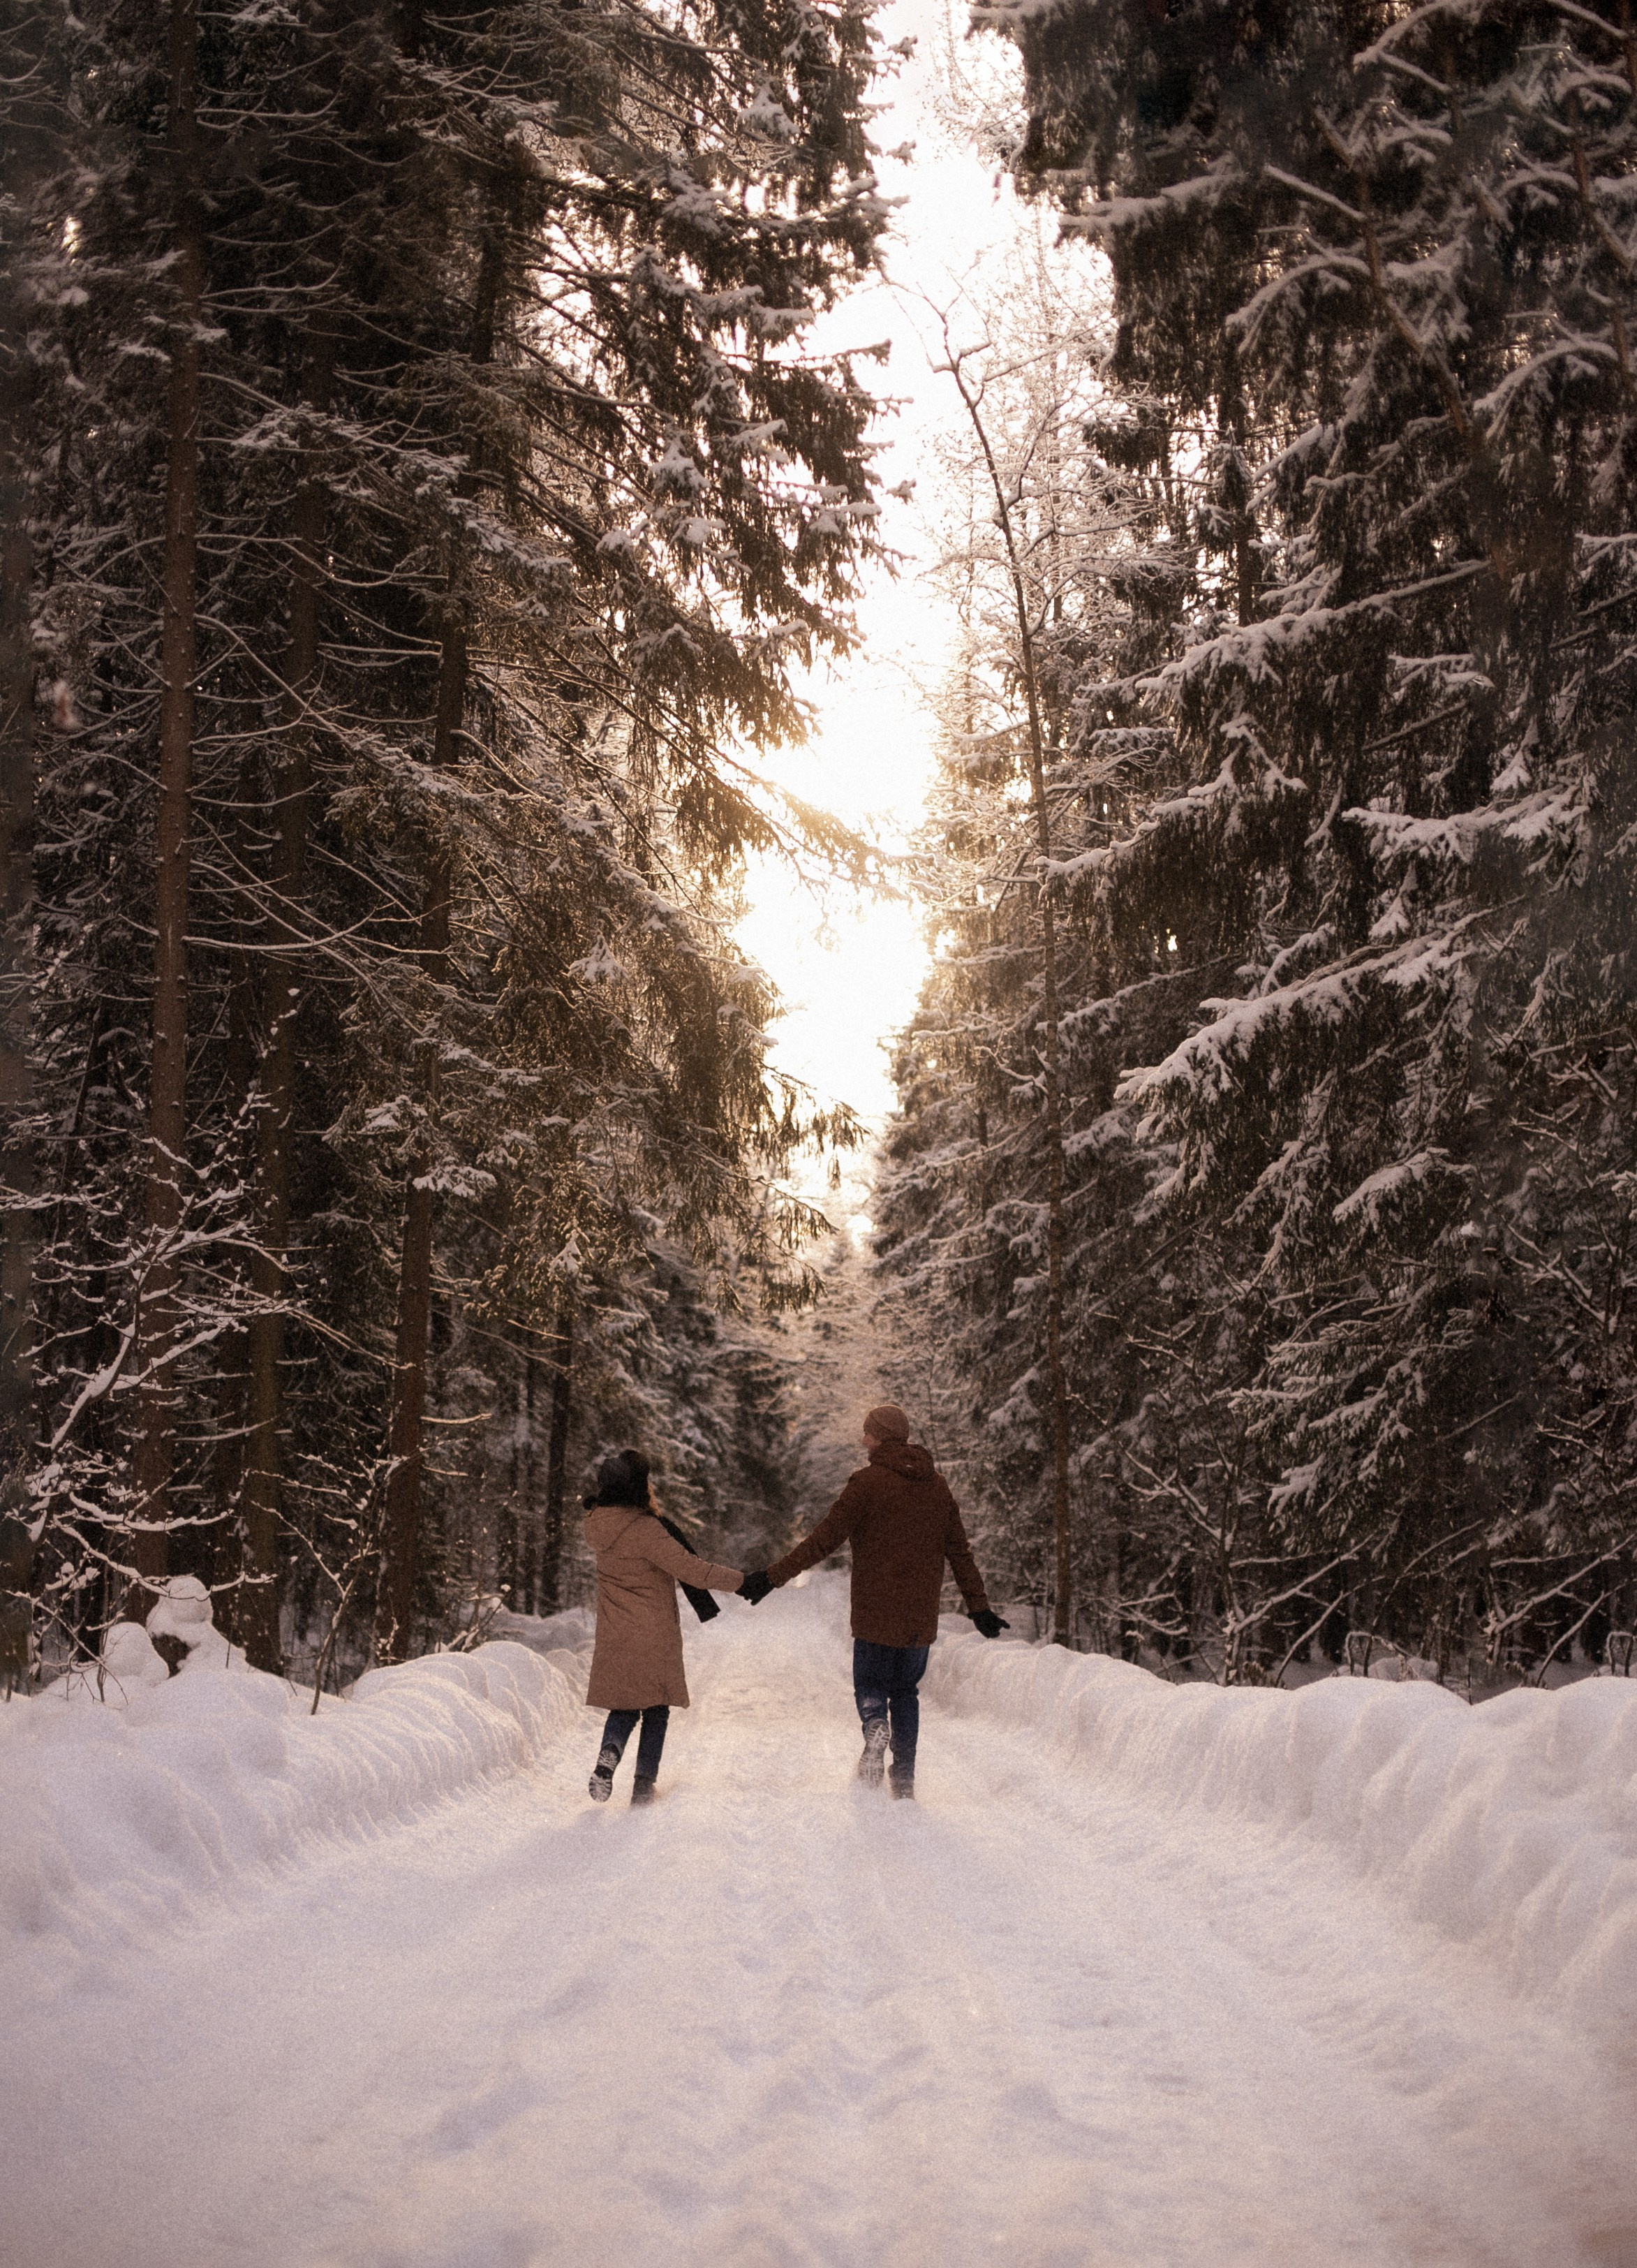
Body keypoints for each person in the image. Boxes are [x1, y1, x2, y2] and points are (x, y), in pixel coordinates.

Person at [741, 1404, 1007, 1797]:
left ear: (880, 1436)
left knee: (869, 1682)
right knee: (906, 1691)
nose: (863, 1439)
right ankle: (904, 1779)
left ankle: (873, 1725)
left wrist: (771, 1577)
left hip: (875, 1609)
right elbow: (960, 1552)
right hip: (919, 1614)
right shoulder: (937, 1486)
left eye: (867, 1432)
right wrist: (979, 1607)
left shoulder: (866, 1483)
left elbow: (823, 1540)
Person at [582, 1449, 755, 1805]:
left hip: (615, 1633)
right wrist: (744, 1582)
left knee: (624, 1704)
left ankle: (610, 1752)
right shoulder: (647, 1531)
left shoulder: (595, 1525)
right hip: (652, 1633)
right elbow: (694, 1570)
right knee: (656, 1709)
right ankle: (644, 1784)